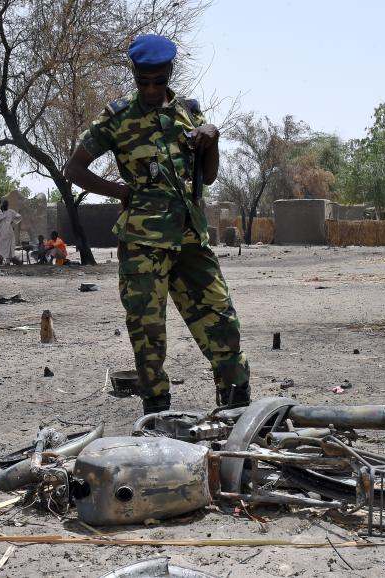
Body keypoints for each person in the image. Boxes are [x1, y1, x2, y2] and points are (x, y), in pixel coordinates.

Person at [63, 34, 250, 415]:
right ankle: (158, 412)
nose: (150, 89)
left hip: (191, 239)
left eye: (158, 82)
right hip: (143, 244)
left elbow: (209, 177)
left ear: (169, 75)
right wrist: (118, 190)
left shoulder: (188, 114)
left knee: (221, 319)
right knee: (148, 334)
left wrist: (211, 137)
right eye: (143, 82)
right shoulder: (117, 117)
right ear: (134, 75)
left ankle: (234, 404)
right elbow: (74, 168)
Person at [0, 199, 21, 265]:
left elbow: (19, 217)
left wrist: (12, 223)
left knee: (8, 246)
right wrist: (2, 212)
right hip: (1, 230)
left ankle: (7, 261)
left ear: (7, 205)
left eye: (6, 204)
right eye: (4, 204)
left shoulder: (11, 211)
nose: (5, 206)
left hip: (9, 230)